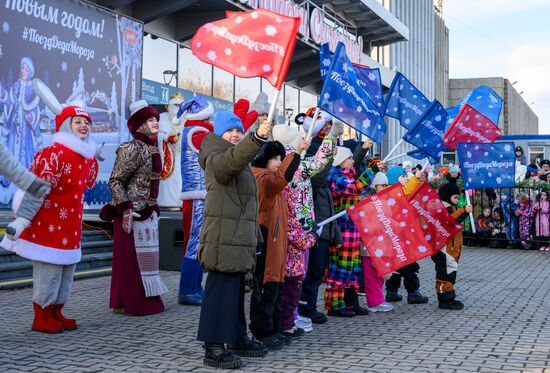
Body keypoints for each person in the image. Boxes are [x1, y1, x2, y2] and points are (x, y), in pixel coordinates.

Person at [2, 106, 98, 333]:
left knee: (66, 272)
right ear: (66, 126)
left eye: (86, 122)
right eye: (77, 122)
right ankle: (42, 315)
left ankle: (56, 311)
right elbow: (36, 190)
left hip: (71, 227)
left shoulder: (88, 159)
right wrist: (22, 219)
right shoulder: (53, 155)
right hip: (48, 223)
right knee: (49, 271)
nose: (84, 125)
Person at [196, 112, 270, 369]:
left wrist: (254, 237)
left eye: (239, 131)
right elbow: (230, 163)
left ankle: (237, 336)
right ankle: (213, 345)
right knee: (220, 290)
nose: (235, 135)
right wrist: (257, 137)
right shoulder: (216, 156)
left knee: (235, 291)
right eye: (230, 131)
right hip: (223, 237)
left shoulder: (237, 158)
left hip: (238, 238)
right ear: (219, 134)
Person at [101, 100, 168, 316]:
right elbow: (116, 180)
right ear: (140, 125)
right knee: (130, 262)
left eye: (156, 119)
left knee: (141, 260)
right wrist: (126, 207)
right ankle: (134, 303)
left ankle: (123, 301)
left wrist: (153, 204)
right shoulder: (132, 148)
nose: (155, 122)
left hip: (146, 213)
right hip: (131, 215)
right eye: (150, 119)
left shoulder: (153, 148)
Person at [273, 116, 337, 334]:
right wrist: (330, 137)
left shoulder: (283, 163)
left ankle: (289, 317)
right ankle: (289, 319)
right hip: (298, 227)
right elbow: (320, 161)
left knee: (290, 277)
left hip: (290, 226)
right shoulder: (294, 165)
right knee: (294, 276)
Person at [249, 139, 302, 350]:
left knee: (275, 287)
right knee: (265, 287)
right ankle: (262, 331)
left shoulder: (270, 178)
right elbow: (281, 180)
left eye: (282, 158)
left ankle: (273, 328)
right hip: (265, 237)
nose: (279, 163)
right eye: (276, 158)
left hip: (276, 240)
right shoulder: (262, 177)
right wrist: (296, 155)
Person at [299, 119, 345, 325]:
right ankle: (305, 308)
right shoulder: (311, 180)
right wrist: (331, 140)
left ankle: (307, 307)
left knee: (317, 272)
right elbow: (318, 173)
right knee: (311, 272)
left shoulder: (324, 187)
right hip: (312, 231)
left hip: (322, 231)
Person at [324, 143, 375, 317]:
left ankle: (351, 302)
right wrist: (371, 171)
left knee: (353, 268)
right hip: (342, 230)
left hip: (352, 230)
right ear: (340, 161)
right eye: (349, 159)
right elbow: (355, 188)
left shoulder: (348, 176)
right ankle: (335, 305)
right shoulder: (336, 177)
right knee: (340, 268)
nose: (352, 161)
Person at [175, 95, 214, 306]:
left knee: (199, 242)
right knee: (194, 242)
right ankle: (188, 288)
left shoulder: (197, 130)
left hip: (200, 195)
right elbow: (220, 146)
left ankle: (195, 286)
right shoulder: (198, 132)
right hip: (197, 195)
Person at [384, 166, 429, 304]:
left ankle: (391, 292)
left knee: (395, 264)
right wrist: (416, 178)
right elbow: (409, 191)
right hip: (402, 235)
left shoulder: (388, 193)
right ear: (394, 179)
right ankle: (413, 292)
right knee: (410, 264)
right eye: (403, 176)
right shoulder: (395, 192)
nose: (405, 178)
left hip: (395, 235)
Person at [0, 57, 43, 191]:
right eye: (22, 68)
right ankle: (8, 178)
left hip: (26, 131)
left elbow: (36, 109)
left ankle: (25, 181)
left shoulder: (33, 89)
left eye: (26, 69)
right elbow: (9, 103)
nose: (23, 71)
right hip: (14, 127)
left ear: (30, 71)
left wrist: (31, 117)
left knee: (26, 155)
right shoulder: (15, 86)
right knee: (11, 151)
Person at [431, 182, 471, 310]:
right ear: (447, 196)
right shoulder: (442, 209)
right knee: (444, 274)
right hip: (444, 249)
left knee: (450, 273)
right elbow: (451, 220)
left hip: (451, 249)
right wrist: (464, 211)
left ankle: (449, 296)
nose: (457, 200)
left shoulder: (449, 208)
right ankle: (444, 299)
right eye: (455, 197)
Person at [360, 172, 393, 313]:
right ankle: (374, 302)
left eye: (386, 185)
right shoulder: (366, 202)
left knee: (381, 273)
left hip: (383, 243)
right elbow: (365, 225)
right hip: (370, 244)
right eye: (382, 185)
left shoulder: (385, 200)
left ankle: (378, 298)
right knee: (372, 274)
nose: (385, 188)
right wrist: (380, 226)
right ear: (374, 186)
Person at [157, 93, 185, 209]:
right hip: (167, 156)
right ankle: (168, 202)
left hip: (182, 157)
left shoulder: (187, 119)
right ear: (168, 107)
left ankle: (182, 202)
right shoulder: (161, 118)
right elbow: (156, 135)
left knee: (181, 180)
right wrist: (167, 138)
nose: (178, 108)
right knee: (169, 181)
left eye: (181, 106)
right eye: (175, 105)